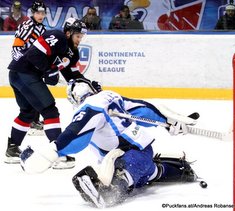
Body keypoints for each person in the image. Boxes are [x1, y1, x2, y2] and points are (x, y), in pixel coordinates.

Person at [20, 80, 199, 208]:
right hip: (138, 153)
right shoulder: (110, 97)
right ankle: (180, 170)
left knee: (124, 179)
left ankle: (110, 191)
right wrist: (167, 121)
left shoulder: (90, 105)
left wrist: (53, 151)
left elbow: (76, 135)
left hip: (130, 155)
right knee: (148, 174)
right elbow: (142, 109)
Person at [5, 18, 102, 169]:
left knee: (28, 113)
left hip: (20, 74)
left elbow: (72, 75)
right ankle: (58, 153)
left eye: (81, 37)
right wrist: (48, 70)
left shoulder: (72, 53)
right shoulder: (58, 37)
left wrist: (89, 83)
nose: (79, 39)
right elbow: (33, 55)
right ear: (68, 33)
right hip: (23, 73)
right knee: (50, 111)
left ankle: (12, 149)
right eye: (78, 36)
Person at [11, 0, 47, 135]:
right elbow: (16, 48)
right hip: (24, 67)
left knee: (37, 92)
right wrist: (23, 65)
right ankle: (32, 121)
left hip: (34, 67)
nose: (41, 15)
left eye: (43, 13)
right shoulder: (27, 26)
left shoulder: (42, 29)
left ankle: (34, 120)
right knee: (32, 94)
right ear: (33, 13)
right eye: (38, 12)